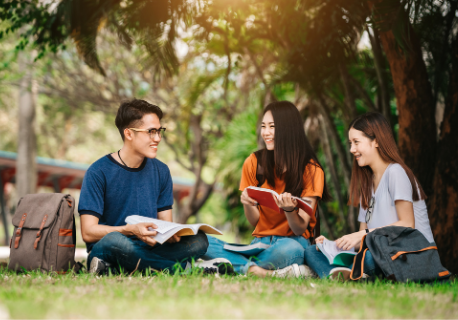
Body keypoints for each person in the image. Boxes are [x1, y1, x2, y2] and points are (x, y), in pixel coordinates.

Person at [79, 99, 212, 274]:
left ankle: (121, 268)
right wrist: (128, 231)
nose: (157, 138)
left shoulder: (161, 171)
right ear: (129, 134)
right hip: (112, 247)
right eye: (151, 132)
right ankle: (181, 270)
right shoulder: (98, 171)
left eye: (159, 131)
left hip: (150, 248)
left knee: (200, 241)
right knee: (116, 241)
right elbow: (88, 232)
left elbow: (166, 224)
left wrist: (172, 234)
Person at [202, 101, 331, 277]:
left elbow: (300, 228)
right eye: (263, 126)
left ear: (288, 129)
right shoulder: (254, 163)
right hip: (259, 244)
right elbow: (255, 222)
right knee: (201, 241)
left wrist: (289, 210)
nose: (266, 133)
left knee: (292, 251)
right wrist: (247, 203)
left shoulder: (312, 170)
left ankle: (232, 265)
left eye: (272, 126)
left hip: (293, 242)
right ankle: (257, 270)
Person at [304, 112, 436, 280]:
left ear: (376, 141)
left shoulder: (396, 173)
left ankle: (350, 275)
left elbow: (407, 224)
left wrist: (363, 234)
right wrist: (333, 245)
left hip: (412, 255)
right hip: (380, 254)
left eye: (356, 142)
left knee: (368, 258)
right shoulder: (367, 185)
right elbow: (361, 241)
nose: (352, 149)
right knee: (312, 251)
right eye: (350, 143)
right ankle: (351, 276)